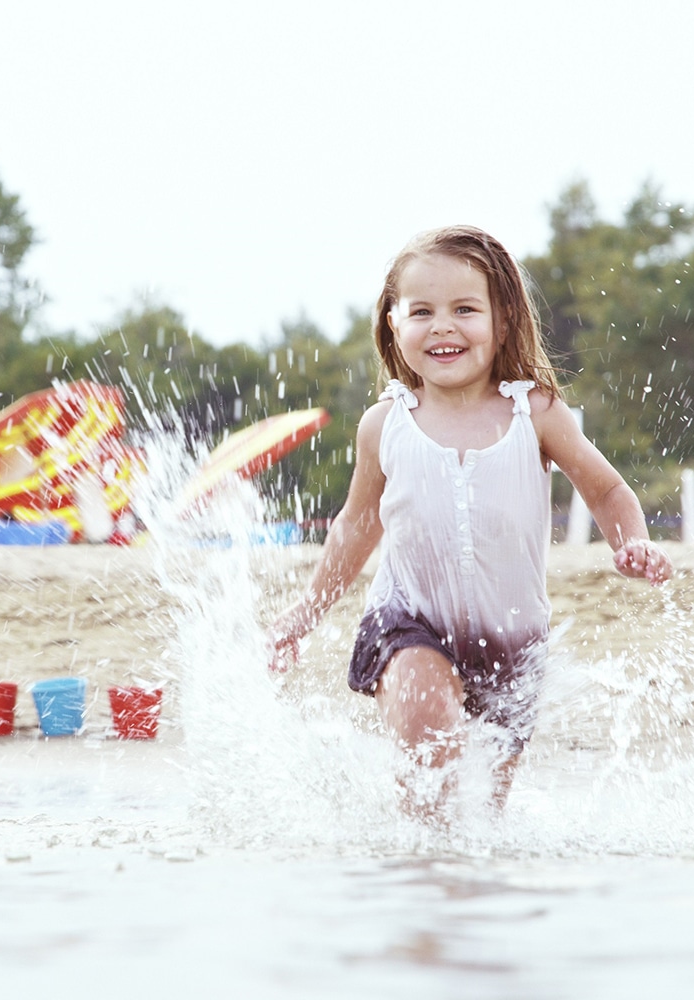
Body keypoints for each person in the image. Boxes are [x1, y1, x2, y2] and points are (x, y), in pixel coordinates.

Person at [267, 225, 671, 811]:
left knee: (482, 815)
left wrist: (633, 542)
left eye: (465, 309)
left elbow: (607, 490)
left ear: (501, 321)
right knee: (432, 774)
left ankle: (462, 891)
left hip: (515, 645)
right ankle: (422, 879)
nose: (443, 326)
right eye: (421, 311)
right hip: (410, 625)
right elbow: (356, 527)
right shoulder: (385, 425)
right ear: (392, 325)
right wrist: (307, 610)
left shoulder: (536, 413)